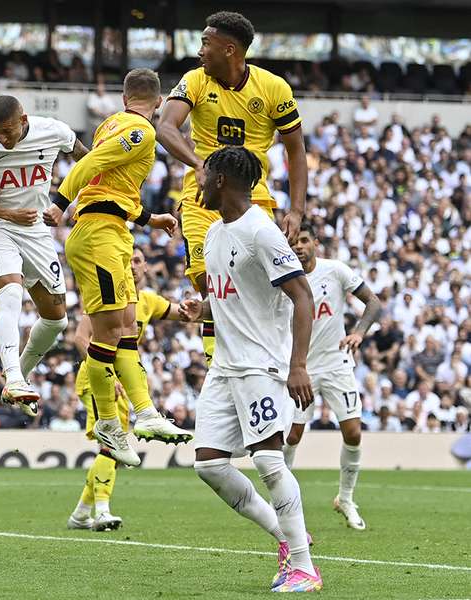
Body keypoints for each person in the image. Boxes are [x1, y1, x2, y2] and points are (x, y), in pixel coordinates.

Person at [179, 146, 321, 592]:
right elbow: (234, 295)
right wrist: (203, 307)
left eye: (203, 175)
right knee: (208, 464)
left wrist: (298, 364)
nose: (197, 182)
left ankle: (305, 567)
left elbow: (302, 296)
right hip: (225, 364)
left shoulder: (262, 232)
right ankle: (286, 540)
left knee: (267, 458)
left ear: (221, 180)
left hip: (262, 363)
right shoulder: (217, 233)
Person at [45, 68, 188, 467]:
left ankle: (143, 412)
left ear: (125, 98)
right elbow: (90, 166)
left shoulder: (111, 123)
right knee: (109, 329)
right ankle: (109, 421)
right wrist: (59, 203)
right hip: (98, 234)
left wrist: (148, 218)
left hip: (113, 228)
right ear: (159, 103)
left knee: (126, 321)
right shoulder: (142, 132)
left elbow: (110, 188)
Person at [157, 11, 308, 365]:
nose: (199, 52)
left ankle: (270, 356)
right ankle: (217, 362)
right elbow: (165, 127)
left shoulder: (274, 88)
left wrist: (297, 210)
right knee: (210, 283)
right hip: (202, 198)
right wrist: (198, 165)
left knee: (257, 283)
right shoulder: (195, 80)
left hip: (254, 199)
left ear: (229, 50)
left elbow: (296, 148)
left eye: (205, 45)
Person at [0, 95, 88, 416]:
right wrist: (0, 209)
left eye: (8, 131)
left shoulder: (54, 131)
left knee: (57, 320)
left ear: (24, 120)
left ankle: (21, 375)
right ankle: (13, 376)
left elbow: (87, 162)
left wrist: (63, 202)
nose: (2, 138)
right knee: (11, 294)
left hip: (37, 230)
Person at [68, 247, 187, 531]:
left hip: (122, 380)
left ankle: (82, 513)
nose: (132, 266)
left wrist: (204, 308)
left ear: (147, 267)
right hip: (98, 378)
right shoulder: (107, 295)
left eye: (137, 261)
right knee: (112, 444)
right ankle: (101, 513)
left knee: (112, 447)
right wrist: (109, 372)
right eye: (127, 260)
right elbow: (80, 338)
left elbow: (182, 313)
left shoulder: (148, 301)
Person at [284, 223, 382, 531]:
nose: (298, 246)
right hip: (302, 366)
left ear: (315, 243)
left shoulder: (335, 270)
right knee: (292, 436)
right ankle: (281, 501)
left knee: (353, 433)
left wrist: (359, 333)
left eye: (303, 240)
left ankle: (346, 498)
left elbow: (374, 302)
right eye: (294, 242)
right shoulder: (281, 279)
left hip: (337, 363)